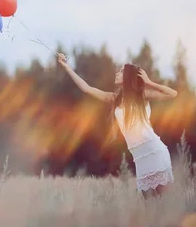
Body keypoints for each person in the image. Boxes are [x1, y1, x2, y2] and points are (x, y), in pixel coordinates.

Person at [57, 53, 178, 197]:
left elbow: (173, 94)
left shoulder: (142, 95)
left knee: (163, 201)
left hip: (155, 151)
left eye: (121, 71)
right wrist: (67, 67)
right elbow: (86, 88)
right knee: (148, 205)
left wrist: (149, 82)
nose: (117, 73)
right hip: (140, 158)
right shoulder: (115, 99)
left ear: (128, 77)